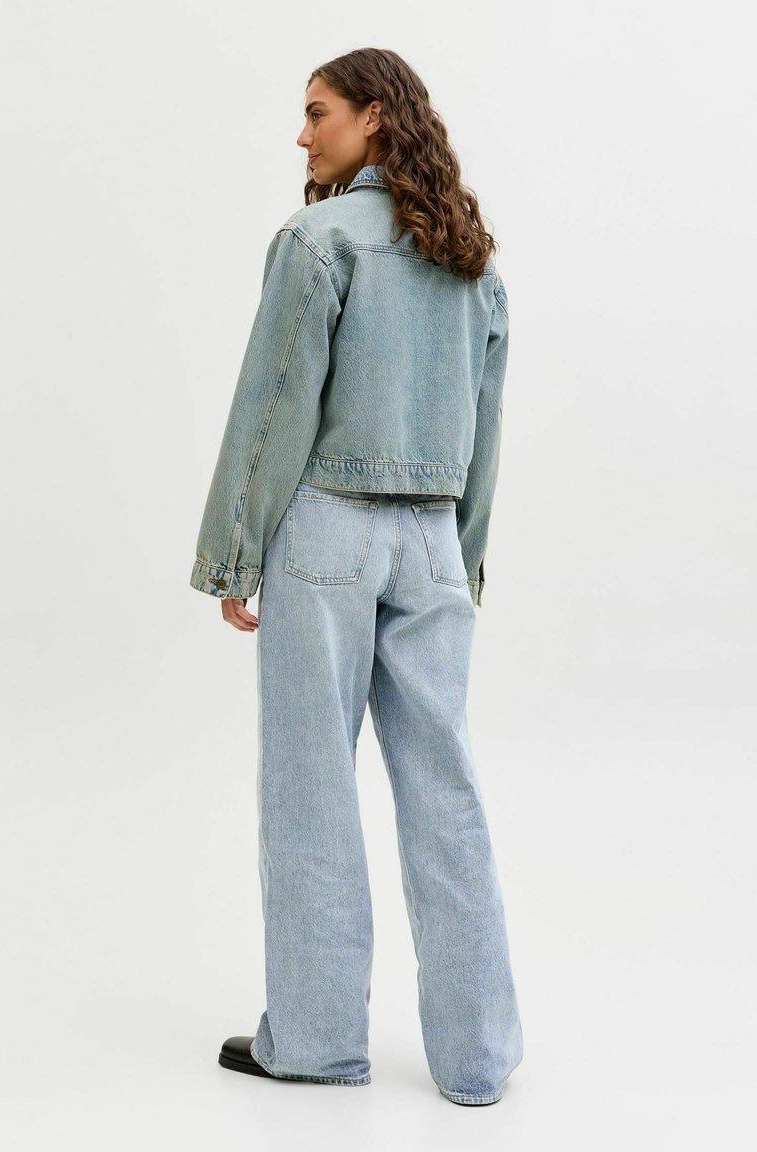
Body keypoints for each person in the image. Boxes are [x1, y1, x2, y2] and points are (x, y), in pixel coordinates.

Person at [190, 47, 523, 1106]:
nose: (302, 135)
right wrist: (462, 560)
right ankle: (477, 1059)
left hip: (326, 534)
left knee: (310, 790)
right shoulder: (470, 262)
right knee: (445, 789)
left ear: (374, 117)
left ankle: (318, 1041)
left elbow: (273, 406)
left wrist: (234, 553)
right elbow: (484, 433)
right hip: (431, 541)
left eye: (318, 112)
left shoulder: (318, 242)